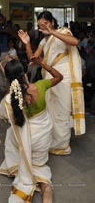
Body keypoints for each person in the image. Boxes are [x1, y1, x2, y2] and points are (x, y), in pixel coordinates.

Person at [18, 11, 85, 155]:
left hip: (64, 76)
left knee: (61, 110)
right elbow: (32, 58)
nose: (43, 27)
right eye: (40, 25)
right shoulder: (44, 41)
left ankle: (62, 145)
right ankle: (52, 141)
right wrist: (27, 43)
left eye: (46, 24)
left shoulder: (62, 31)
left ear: (52, 22)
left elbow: (75, 41)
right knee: (51, 110)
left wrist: (52, 32)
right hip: (50, 75)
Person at [0, 58, 63, 203]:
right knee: (41, 172)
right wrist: (43, 64)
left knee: (10, 133)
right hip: (42, 135)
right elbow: (59, 77)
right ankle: (46, 189)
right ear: (24, 72)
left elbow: (2, 114)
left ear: (9, 79)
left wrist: (6, 73)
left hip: (26, 138)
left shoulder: (11, 97)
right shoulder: (40, 86)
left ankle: (23, 167)